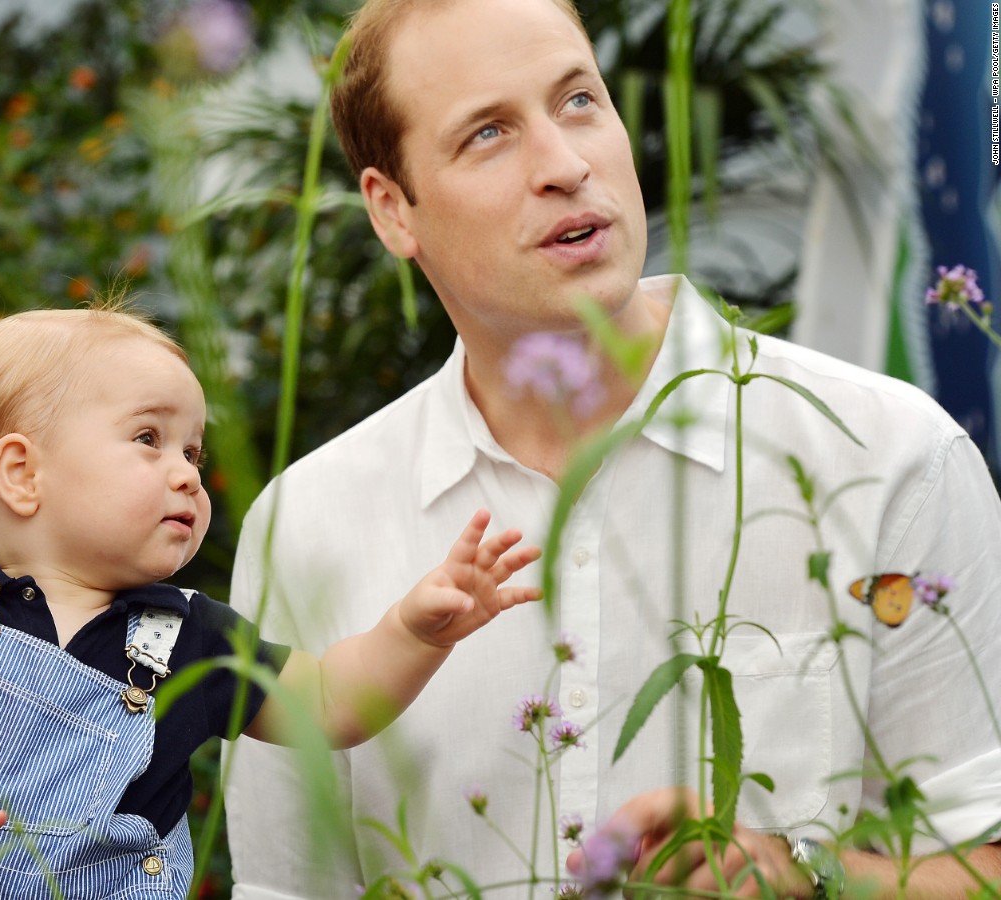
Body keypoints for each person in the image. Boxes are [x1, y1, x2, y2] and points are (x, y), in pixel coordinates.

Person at [223, 0, 1001, 897]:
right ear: (393, 211)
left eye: (579, 101)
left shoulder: (890, 456)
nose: (564, 164)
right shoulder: (309, 522)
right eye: (487, 134)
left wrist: (812, 877)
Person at [0, 304, 543, 898]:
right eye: (148, 438)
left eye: (192, 452)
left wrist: (415, 633)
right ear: (22, 473)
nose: (187, 474)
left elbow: (330, 704)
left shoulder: (192, 635)